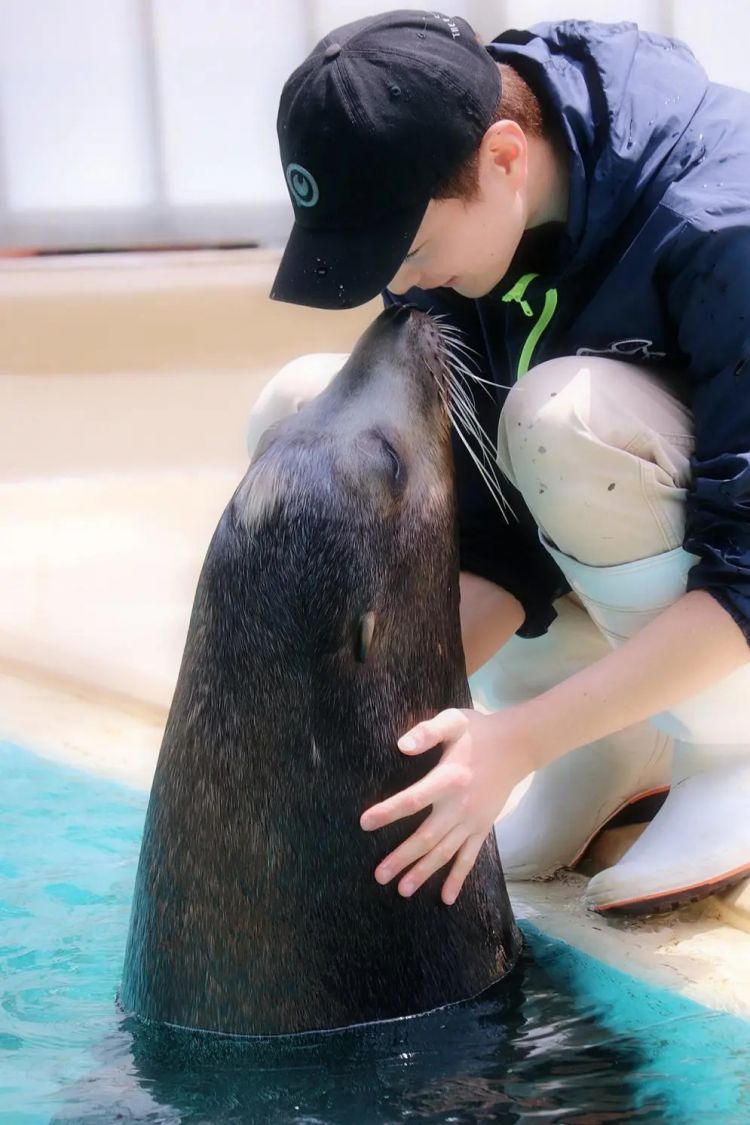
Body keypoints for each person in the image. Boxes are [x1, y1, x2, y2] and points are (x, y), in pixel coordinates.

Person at [256, 9, 750, 915]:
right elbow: (493, 537)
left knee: (563, 414)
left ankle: (728, 750)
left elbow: (749, 571)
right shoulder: (476, 234)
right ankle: (608, 740)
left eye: (407, 247)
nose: (401, 282)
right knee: (306, 411)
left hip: (732, 606)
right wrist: (368, 725)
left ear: (506, 157)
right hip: (638, 578)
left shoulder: (726, 223)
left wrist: (515, 742)